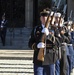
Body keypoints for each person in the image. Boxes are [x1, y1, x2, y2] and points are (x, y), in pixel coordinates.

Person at [28, 8, 60, 75]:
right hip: (38, 59)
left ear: (50, 19)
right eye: (43, 17)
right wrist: (36, 45)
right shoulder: (36, 29)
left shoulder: (54, 29)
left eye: (46, 17)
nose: (44, 18)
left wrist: (49, 35)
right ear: (40, 18)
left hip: (50, 59)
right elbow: (30, 43)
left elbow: (58, 43)